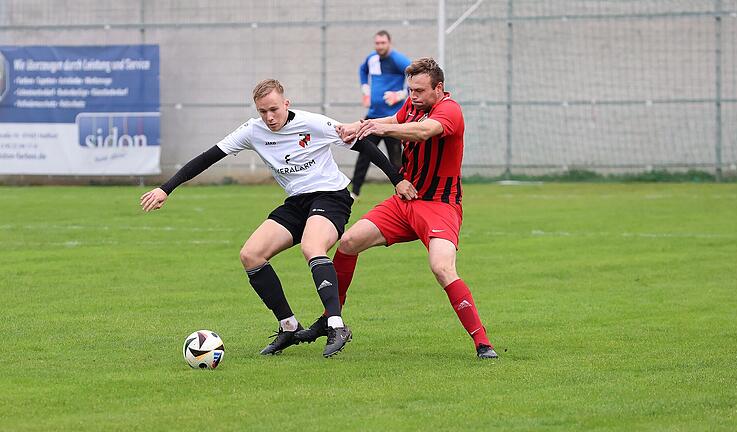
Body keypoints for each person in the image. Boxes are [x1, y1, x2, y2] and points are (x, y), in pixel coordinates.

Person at [140, 79, 417, 358]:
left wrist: (397, 180)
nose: (269, 117)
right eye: (263, 111)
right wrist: (166, 188)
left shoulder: (314, 123)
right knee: (251, 254)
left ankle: (336, 324)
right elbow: (207, 158)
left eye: (274, 109)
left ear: (286, 104)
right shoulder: (252, 130)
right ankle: (288, 326)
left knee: (312, 246)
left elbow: (364, 146)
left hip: (331, 196)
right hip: (297, 202)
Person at [295, 58, 498, 359]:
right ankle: (330, 319)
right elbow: (396, 118)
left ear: (438, 88)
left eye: (419, 90)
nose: (413, 95)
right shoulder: (413, 104)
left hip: (440, 206)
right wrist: (365, 126)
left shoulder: (449, 110)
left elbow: (422, 132)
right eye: (410, 89)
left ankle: (483, 343)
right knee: (349, 243)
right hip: (405, 202)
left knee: (442, 268)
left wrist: (379, 129)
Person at [351, 30, 411, 199]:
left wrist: (400, 95)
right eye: (377, 43)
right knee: (364, 153)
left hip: (391, 120)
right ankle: (354, 192)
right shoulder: (372, 58)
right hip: (372, 117)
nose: (380, 46)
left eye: (383, 43)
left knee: (396, 159)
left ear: (389, 43)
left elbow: (416, 76)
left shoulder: (398, 60)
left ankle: (404, 190)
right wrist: (365, 90)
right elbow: (362, 71)